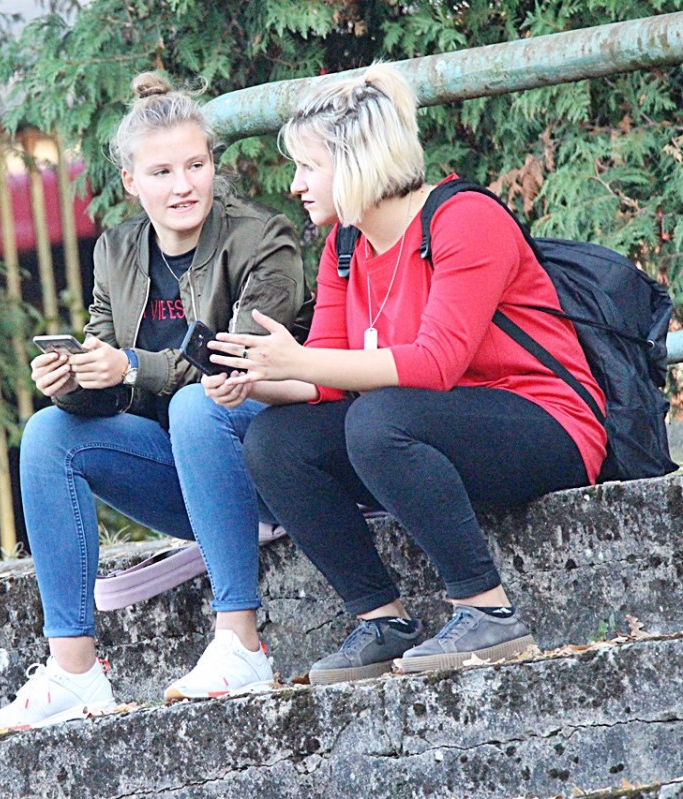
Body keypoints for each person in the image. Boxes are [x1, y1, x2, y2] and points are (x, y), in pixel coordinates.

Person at [202, 63, 605, 685]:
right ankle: (382, 621)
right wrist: (255, 376)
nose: (296, 184)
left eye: (309, 167)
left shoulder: (465, 219)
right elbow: (327, 374)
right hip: (432, 428)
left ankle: (488, 611)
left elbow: (436, 362)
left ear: (356, 162)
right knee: (275, 439)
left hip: (547, 425)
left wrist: (298, 360)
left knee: (379, 418)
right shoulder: (345, 247)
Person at [0, 72, 314, 734]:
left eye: (196, 165)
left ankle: (241, 643)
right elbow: (111, 385)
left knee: (195, 406)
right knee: (47, 434)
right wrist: (73, 379)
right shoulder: (118, 250)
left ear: (213, 164)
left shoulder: (261, 238)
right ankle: (74, 671)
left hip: (270, 465)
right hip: (183, 474)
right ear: (131, 181)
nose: (183, 185)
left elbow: (238, 362)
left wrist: (130, 363)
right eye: (162, 172)